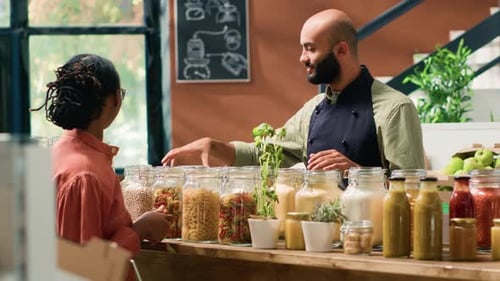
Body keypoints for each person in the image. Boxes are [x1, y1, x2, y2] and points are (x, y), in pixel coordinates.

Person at [162, 9, 425, 173]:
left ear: (341, 50)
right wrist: (214, 146)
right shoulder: (314, 109)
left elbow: (412, 192)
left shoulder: (394, 109)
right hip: (316, 239)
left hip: (375, 246)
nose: (302, 58)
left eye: (310, 48)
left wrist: (357, 173)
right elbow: (265, 154)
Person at [31, 54, 170, 281]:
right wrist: (138, 231)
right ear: (115, 99)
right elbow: (82, 269)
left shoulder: (58, 153)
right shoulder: (85, 174)